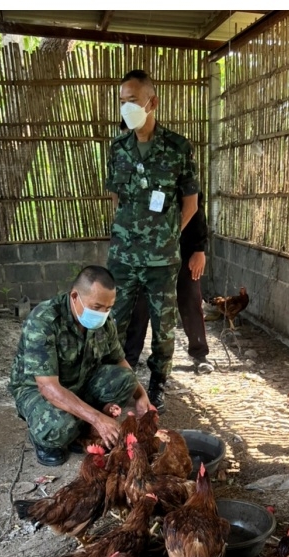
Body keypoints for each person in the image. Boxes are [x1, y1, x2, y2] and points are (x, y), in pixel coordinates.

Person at [105, 69, 200, 411]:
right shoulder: (118, 147)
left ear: (152, 102)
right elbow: (116, 197)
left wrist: (170, 235)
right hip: (124, 257)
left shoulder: (178, 147)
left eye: (132, 100)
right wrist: (130, 232)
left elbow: (191, 203)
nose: (126, 107)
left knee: (164, 326)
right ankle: (118, 382)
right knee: (115, 322)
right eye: (122, 102)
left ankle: (158, 382)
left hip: (162, 257)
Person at [8, 266, 153, 467]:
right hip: (39, 390)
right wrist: (98, 418)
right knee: (59, 426)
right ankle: (44, 439)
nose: (103, 313)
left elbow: (119, 360)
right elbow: (47, 387)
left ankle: (82, 427)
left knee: (126, 379)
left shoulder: (104, 321)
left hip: (80, 381)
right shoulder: (44, 321)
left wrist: (141, 395)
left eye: (108, 307)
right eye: (97, 306)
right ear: (75, 296)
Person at [123, 190, 212, 374]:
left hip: (184, 251)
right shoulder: (141, 177)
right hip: (148, 254)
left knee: (191, 300)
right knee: (140, 304)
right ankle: (129, 359)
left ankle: (199, 354)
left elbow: (197, 211)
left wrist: (199, 250)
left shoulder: (183, 176)